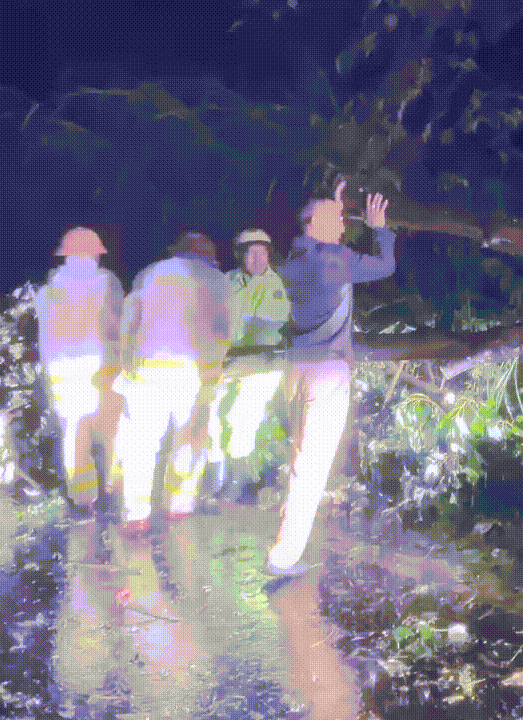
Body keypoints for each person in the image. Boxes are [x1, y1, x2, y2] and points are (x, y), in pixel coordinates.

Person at [266, 180, 392, 576]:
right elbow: (384, 266)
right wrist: (378, 228)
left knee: (300, 455)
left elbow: (324, 242)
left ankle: (287, 542)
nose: (343, 222)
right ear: (314, 224)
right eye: (337, 217)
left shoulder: (291, 261)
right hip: (327, 376)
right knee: (313, 466)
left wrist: (331, 209)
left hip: (298, 370)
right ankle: (284, 559)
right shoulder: (333, 262)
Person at [114, 232, 234, 537]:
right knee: (190, 441)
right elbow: (228, 331)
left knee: (140, 444)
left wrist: (128, 356)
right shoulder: (219, 282)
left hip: (148, 373)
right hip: (194, 377)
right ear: (207, 255)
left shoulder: (152, 273)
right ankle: (178, 506)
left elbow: (129, 320)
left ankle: (136, 516)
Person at [33, 227, 124, 518]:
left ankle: (83, 499)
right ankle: (115, 487)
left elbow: (42, 334)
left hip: (62, 376)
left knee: (74, 435)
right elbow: (117, 325)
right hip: (100, 371)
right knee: (112, 432)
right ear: (96, 256)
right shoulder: (104, 283)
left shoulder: (48, 291)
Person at [203, 229, 291, 509]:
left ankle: (237, 479)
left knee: (240, 414)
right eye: (250, 252)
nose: (256, 258)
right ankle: (215, 472)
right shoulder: (226, 281)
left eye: (261, 252)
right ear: (238, 255)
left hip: (262, 363)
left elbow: (266, 329)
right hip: (226, 362)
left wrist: (232, 341)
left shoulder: (277, 285)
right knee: (209, 412)